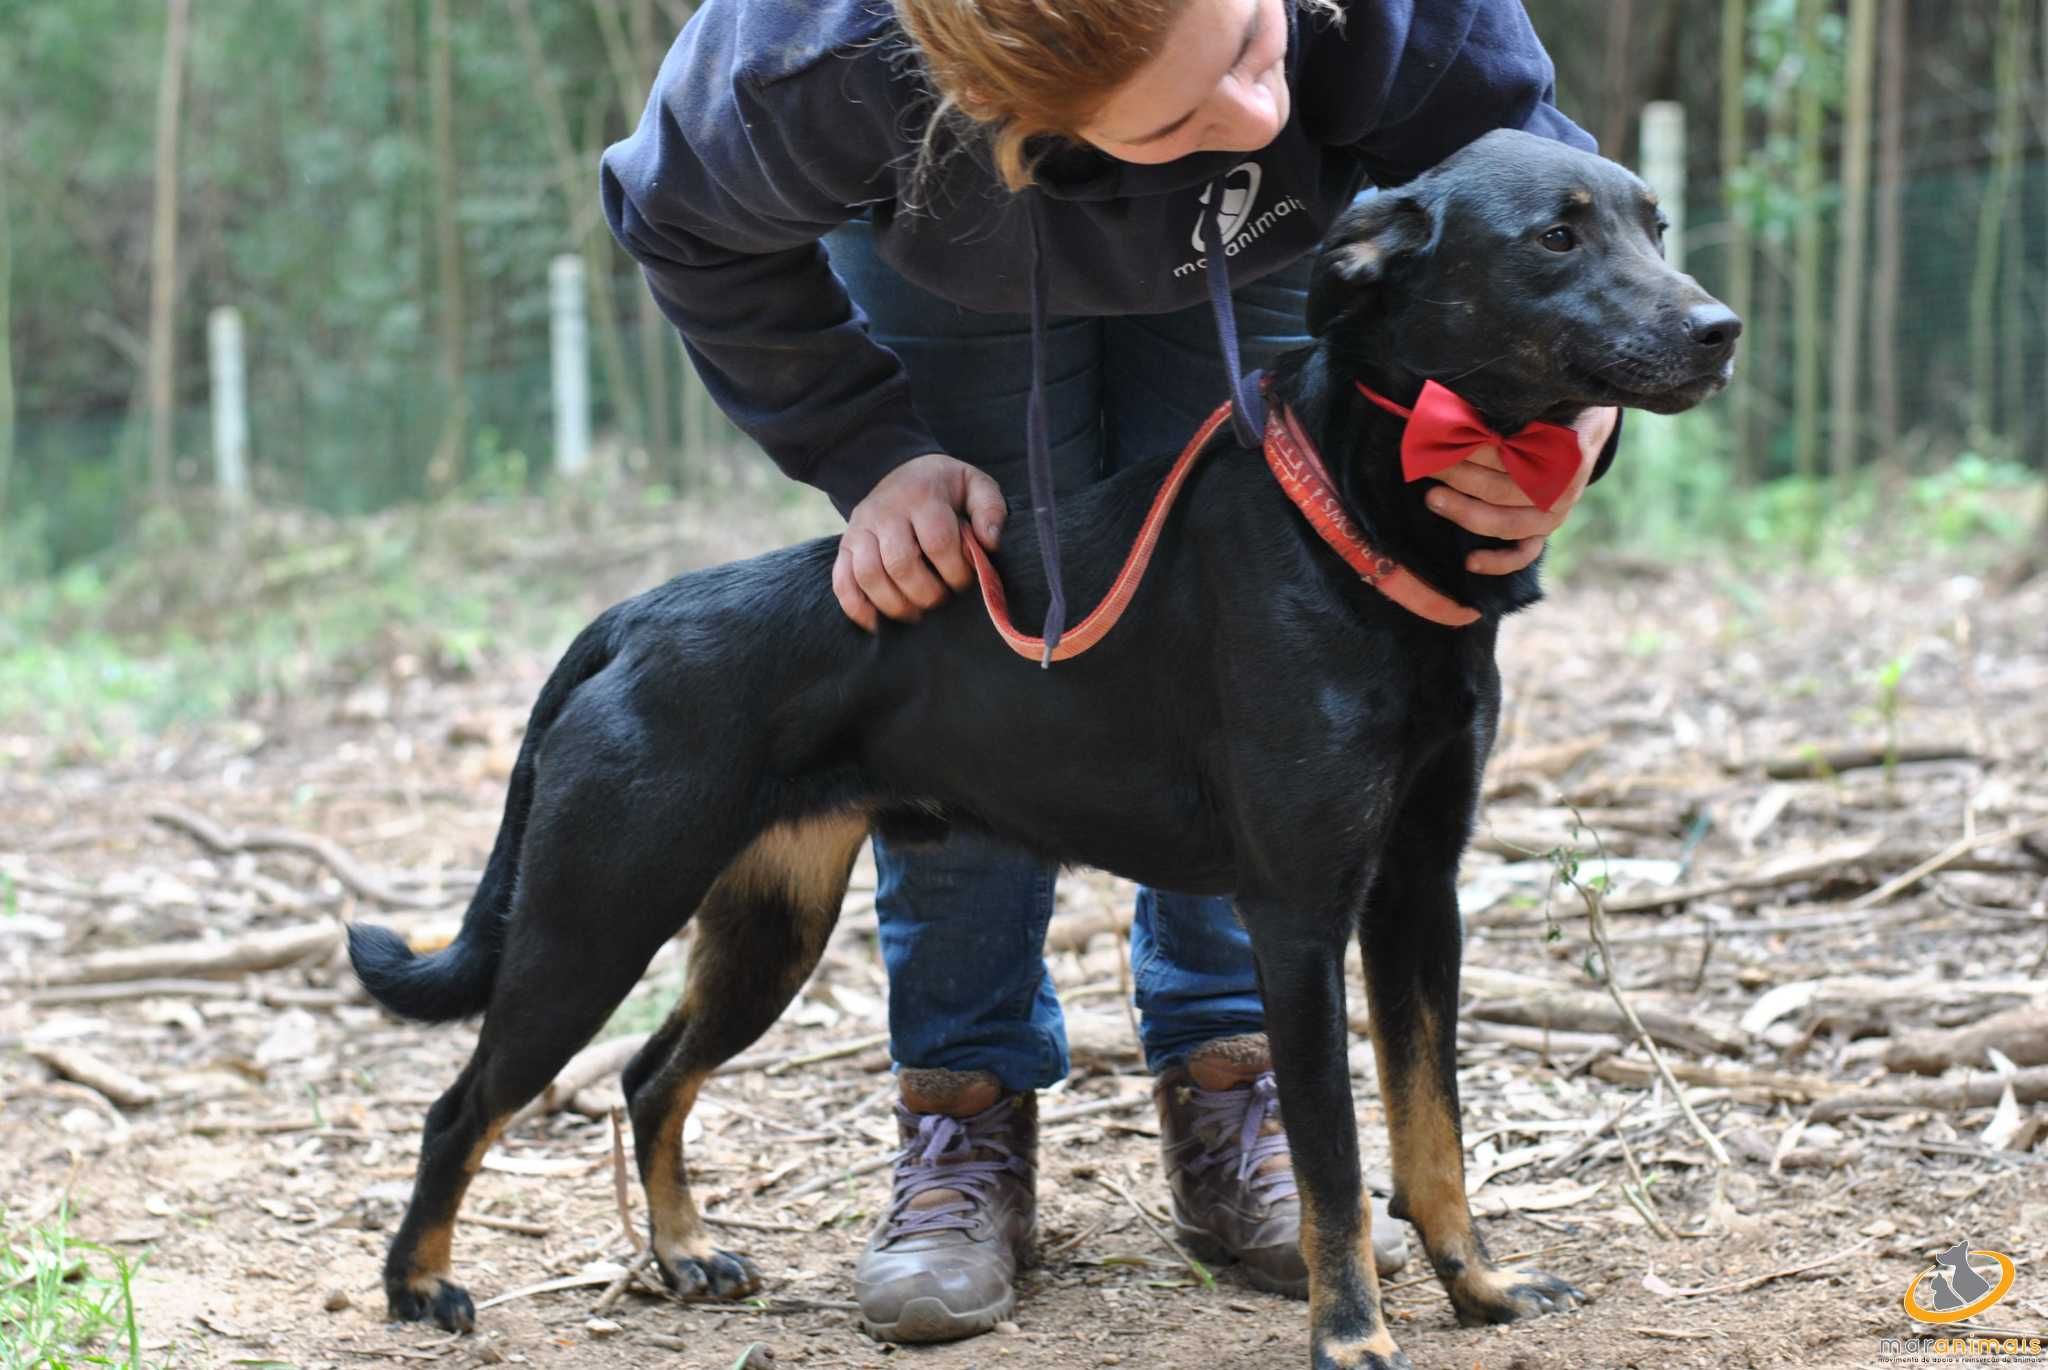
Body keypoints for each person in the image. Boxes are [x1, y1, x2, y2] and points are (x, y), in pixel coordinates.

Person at [602, 0, 1619, 1344]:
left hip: (1267, 242)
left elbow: (1540, 175)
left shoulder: (1390, 21)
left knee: (1267, 655)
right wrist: (866, 448)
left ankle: (1232, 1078)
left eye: (1257, 46)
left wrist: (1574, 400)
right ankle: (961, 1110)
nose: (1251, 112)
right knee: (963, 649)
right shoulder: (813, 67)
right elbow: (680, 220)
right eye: (1186, 109)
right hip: (951, 249)